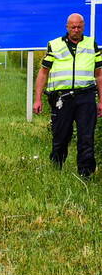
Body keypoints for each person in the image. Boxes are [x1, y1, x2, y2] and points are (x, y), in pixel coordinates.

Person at [32, 13, 102, 177]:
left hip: (86, 96)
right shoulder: (54, 45)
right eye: (73, 27)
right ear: (67, 27)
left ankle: (86, 174)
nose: (76, 30)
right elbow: (43, 73)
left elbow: (99, 75)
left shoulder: (92, 44)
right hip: (62, 98)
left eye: (79, 27)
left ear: (83, 27)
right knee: (61, 136)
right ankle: (56, 169)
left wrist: (101, 101)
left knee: (86, 136)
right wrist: (37, 99)